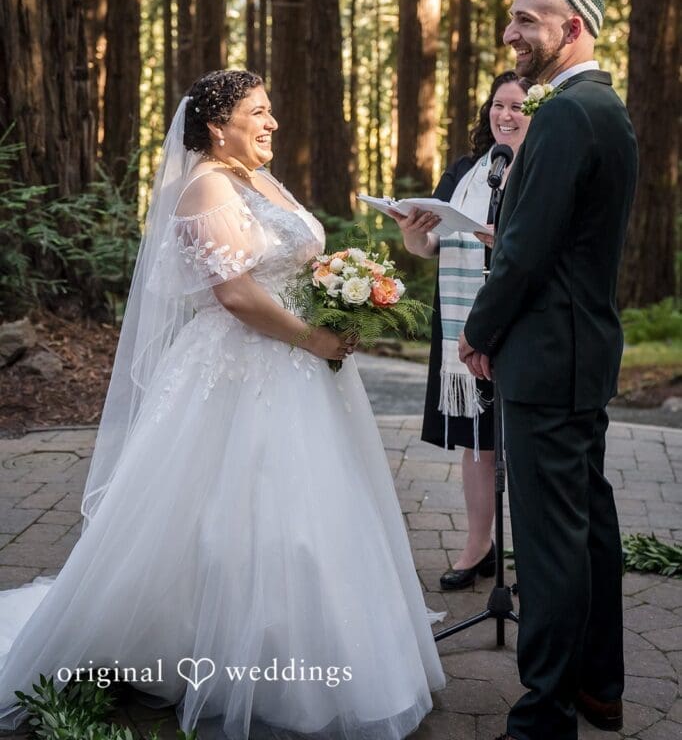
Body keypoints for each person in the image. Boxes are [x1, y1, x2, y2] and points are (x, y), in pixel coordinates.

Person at [0, 70, 445, 740]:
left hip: (300, 366)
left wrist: (343, 288)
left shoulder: (258, 179)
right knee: (244, 510)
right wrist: (314, 335)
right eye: (259, 112)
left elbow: (294, 258)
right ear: (218, 124)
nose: (272, 123)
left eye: (271, 111)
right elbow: (233, 295)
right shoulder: (206, 185)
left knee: (316, 510)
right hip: (244, 368)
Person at [459, 0, 638, 740]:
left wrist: (478, 331)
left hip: (546, 355)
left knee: (550, 542)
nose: (511, 34)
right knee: (588, 525)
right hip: (580, 352)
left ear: (573, 29)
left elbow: (528, 252)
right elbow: (559, 240)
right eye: (511, 20)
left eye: (527, 21)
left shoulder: (567, 115)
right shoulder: (601, 110)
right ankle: (600, 688)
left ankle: (543, 718)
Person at [388, 72, 530, 590]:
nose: (505, 115)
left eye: (517, 106)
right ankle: (479, 545)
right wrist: (413, 233)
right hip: (462, 319)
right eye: (498, 105)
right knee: (478, 439)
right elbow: (430, 248)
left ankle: (534, 558)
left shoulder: (542, 169)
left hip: (522, 320)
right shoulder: (468, 171)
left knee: (525, 439)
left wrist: (498, 238)